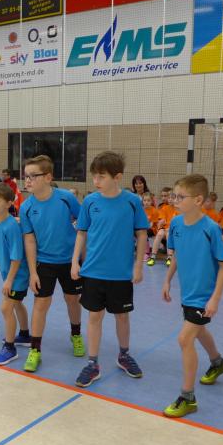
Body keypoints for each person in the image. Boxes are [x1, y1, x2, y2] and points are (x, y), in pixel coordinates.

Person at [71, 151, 148, 387]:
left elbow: (141, 233)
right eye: (94, 176)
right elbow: (82, 232)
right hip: (93, 271)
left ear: (117, 177)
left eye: (101, 176)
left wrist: (138, 265)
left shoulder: (132, 202)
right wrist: (75, 261)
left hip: (121, 273)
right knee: (94, 316)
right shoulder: (90, 202)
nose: (96, 181)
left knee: (122, 316)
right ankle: (92, 363)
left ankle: (124, 355)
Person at [161, 174, 223, 417]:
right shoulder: (176, 224)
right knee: (198, 330)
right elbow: (177, 255)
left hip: (204, 295)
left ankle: (188, 397)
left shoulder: (211, 229)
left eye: (181, 197)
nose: (175, 200)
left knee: (184, 339)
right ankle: (218, 362)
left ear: (198, 200)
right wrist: (167, 280)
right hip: (187, 292)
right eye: (174, 196)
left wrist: (215, 298)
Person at [19, 155, 83, 372]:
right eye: (25, 176)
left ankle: (76, 335)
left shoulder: (66, 198)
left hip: (69, 261)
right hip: (44, 262)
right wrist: (32, 272)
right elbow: (29, 240)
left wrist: (80, 259)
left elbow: (84, 225)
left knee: (72, 299)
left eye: (32, 176)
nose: (27, 180)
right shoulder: (26, 207)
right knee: (41, 304)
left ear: (48, 177)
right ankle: (35, 350)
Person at [0, 182, 31, 366]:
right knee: (17, 303)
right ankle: (25, 335)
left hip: (17, 276)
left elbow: (17, 257)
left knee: (6, 308)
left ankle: (10, 348)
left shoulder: (11, 226)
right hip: (9, 274)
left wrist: (9, 281)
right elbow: (0, 247)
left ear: (9, 203)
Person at [147, 188, 176, 266]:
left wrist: (170, 228)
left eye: (172, 198)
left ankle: (169, 257)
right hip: (165, 228)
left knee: (169, 234)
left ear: (176, 199)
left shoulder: (179, 209)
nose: (170, 200)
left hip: (173, 230)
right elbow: (162, 221)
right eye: (169, 198)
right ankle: (153, 257)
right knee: (160, 234)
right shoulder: (164, 208)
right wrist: (161, 225)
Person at [142, 192, 159, 264]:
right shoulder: (141, 210)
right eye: (145, 200)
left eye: (148, 200)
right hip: (143, 228)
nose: (146, 202)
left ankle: (147, 253)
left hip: (152, 229)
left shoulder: (154, 210)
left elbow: (151, 225)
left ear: (151, 201)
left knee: (144, 233)